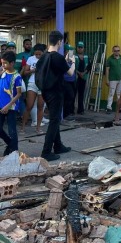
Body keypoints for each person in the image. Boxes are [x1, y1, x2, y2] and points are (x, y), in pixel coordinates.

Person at [39, 30, 75, 161]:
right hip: (56, 92)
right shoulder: (57, 57)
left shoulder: (44, 56)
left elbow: (55, 67)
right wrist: (73, 61)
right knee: (54, 121)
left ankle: (58, 146)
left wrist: (65, 61)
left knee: (55, 118)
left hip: (45, 91)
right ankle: (46, 151)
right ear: (60, 41)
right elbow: (70, 72)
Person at [0, 51, 23, 156]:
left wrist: (8, 106)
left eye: (5, 63)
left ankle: (14, 152)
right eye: (1, 63)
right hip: (1, 106)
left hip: (11, 107)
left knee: (12, 131)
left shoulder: (17, 76)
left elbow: (19, 94)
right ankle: (10, 144)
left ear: (12, 63)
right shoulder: (3, 72)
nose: (3, 65)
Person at [21, 44, 46, 134]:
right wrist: (32, 70)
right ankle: (23, 127)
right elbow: (25, 72)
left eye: (40, 54)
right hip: (32, 83)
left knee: (40, 107)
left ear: (44, 53)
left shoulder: (47, 59)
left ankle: (38, 128)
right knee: (29, 106)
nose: (38, 56)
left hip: (42, 85)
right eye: (36, 54)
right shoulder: (31, 59)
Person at [105, 45, 121, 113]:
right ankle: (109, 108)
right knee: (111, 94)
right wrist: (107, 79)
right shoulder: (109, 59)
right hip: (112, 79)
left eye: (118, 50)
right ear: (113, 51)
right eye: (115, 51)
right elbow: (107, 70)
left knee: (119, 94)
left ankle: (120, 108)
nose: (116, 52)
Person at [75, 41, 91, 115]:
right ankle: (71, 110)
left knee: (81, 94)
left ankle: (80, 110)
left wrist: (83, 73)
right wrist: (78, 73)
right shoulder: (73, 56)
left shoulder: (86, 56)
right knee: (73, 94)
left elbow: (89, 66)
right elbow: (71, 66)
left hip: (83, 77)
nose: (80, 49)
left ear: (83, 48)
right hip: (75, 77)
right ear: (76, 48)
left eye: (81, 47)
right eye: (79, 47)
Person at [63, 44, 77, 119]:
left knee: (72, 97)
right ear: (65, 51)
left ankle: (69, 112)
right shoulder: (63, 59)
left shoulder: (72, 58)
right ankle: (65, 114)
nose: (71, 52)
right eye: (69, 50)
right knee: (69, 96)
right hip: (65, 80)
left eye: (71, 50)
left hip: (72, 80)